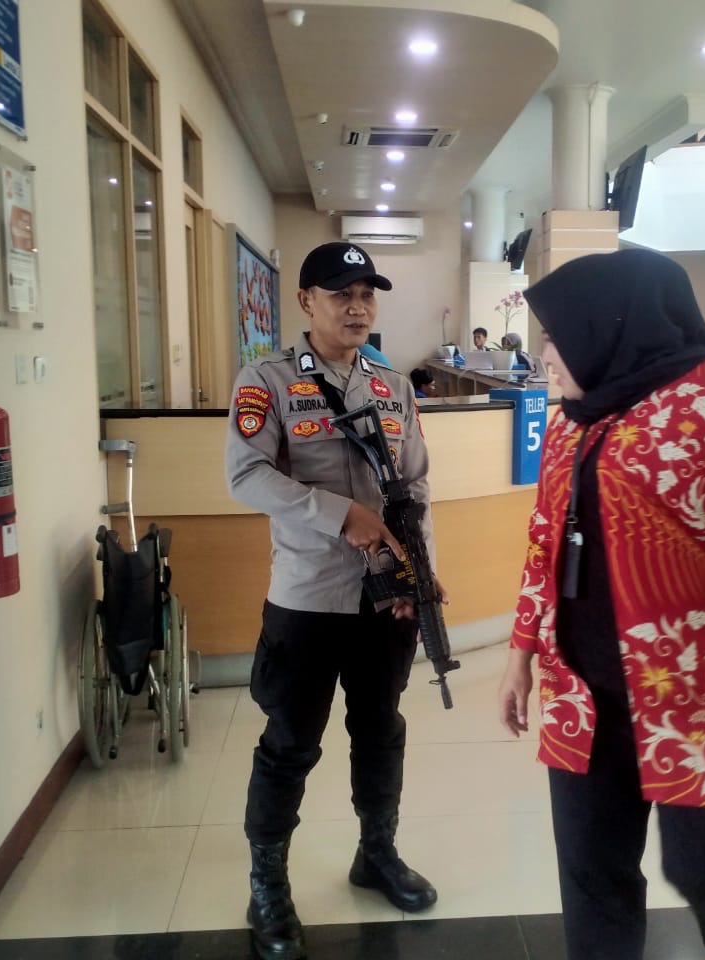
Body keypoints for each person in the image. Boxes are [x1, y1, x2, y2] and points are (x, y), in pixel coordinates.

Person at [497, 249, 705, 960]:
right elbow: (545, 537)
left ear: (610, 326)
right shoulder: (573, 420)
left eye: (556, 336)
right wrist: (521, 651)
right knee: (592, 878)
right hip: (583, 695)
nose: (546, 354)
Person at [226, 241, 445, 960]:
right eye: (341, 293)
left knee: (381, 729)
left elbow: (414, 485)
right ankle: (267, 884)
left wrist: (421, 572)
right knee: (290, 742)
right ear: (306, 302)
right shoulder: (267, 381)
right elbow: (246, 476)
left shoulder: (392, 385)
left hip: (385, 599)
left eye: (367, 294)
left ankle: (376, 853)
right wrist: (338, 513)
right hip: (308, 598)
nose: (357, 307)